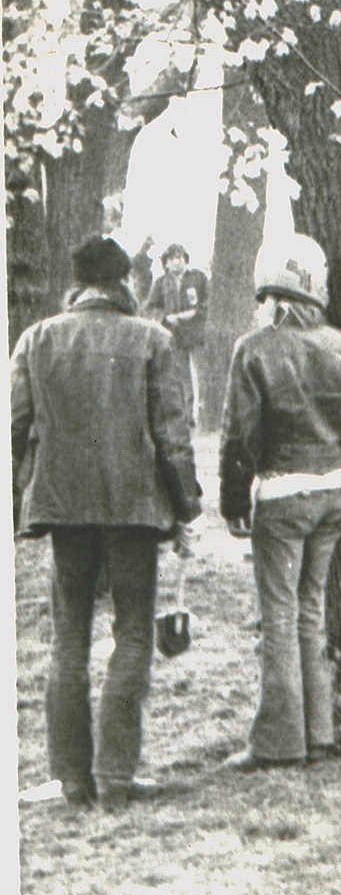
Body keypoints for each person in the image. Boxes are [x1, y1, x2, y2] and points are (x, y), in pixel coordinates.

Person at [11, 236, 202, 811]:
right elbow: (173, 437)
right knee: (133, 634)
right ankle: (116, 776)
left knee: (69, 639)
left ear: (77, 284)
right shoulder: (153, 340)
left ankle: (72, 779)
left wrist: (25, 492)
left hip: (64, 509)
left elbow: (11, 428)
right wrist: (186, 508)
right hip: (135, 510)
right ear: (124, 283)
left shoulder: (37, 339)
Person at [218, 234, 341, 772]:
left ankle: (280, 741)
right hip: (337, 490)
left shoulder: (254, 348)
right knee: (312, 611)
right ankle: (319, 733)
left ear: (271, 291)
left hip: (283, 494)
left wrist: (234, 498)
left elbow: (240, 436)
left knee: (279, 616)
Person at [143, 243, 210, 425]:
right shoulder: (161, 283)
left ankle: (196, 413)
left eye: (179, 258)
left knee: (198, 374)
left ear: (185, 260)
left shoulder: (198, 278)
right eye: (172, 259)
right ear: (166, 263)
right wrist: (166, 317)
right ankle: (183, 414)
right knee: (178, 374)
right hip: (173, 336)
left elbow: (207, 302)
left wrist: (194, 314)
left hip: (196, 335)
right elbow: (151, 307)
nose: (176, 262)